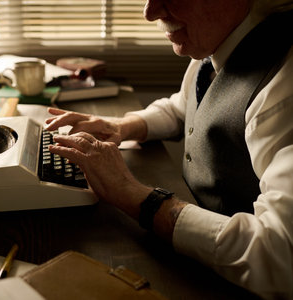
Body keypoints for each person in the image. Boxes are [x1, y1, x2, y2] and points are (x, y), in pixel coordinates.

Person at [45, 0, 293, 299]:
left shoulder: (284, 89)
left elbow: (280, 257)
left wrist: (131, 194)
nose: (150, 13)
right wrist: (123, 126)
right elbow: (183, 107)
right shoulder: (220, 41)